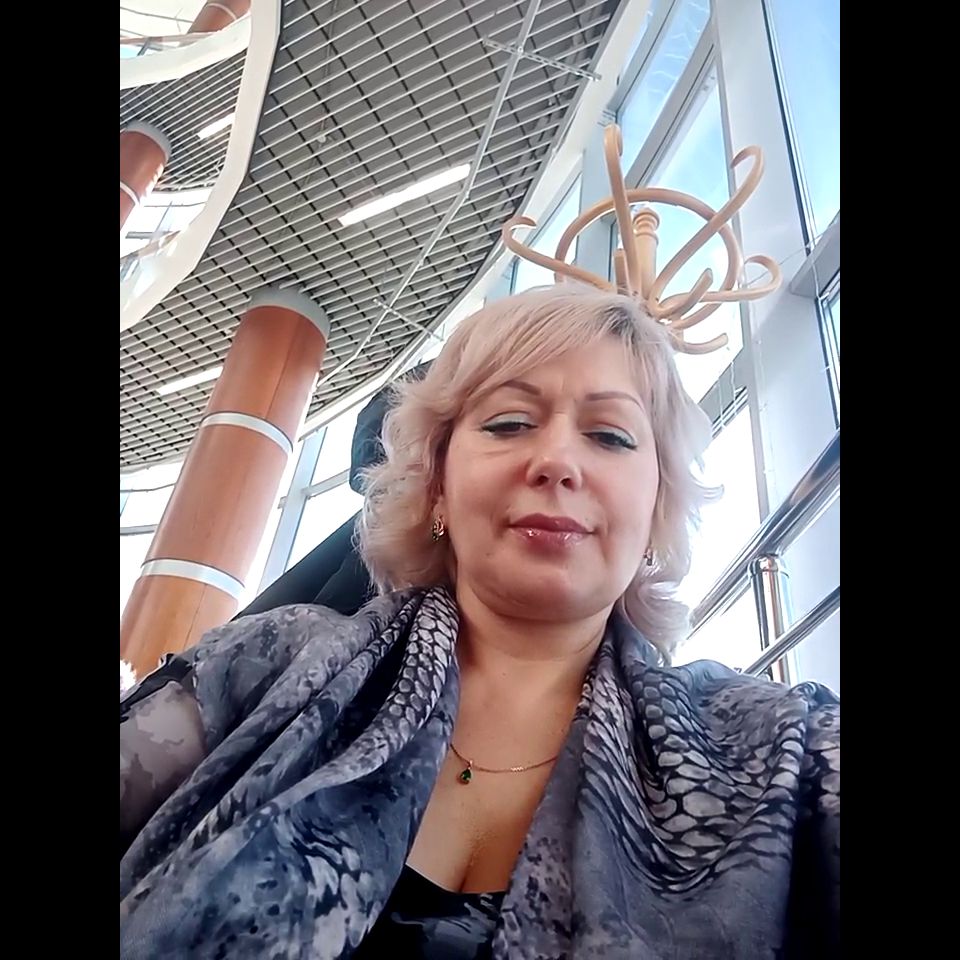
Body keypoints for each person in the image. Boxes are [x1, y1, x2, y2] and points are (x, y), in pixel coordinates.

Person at [120, 127, 839, 959]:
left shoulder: (774, 750)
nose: (558, 461)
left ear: (657, 509)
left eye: (610, 436)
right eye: (508, 423)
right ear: (436, 486)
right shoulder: (268, 665)